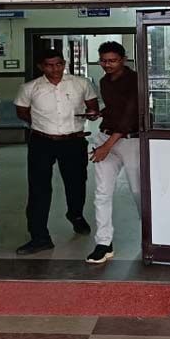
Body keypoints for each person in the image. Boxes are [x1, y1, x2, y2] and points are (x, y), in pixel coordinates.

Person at [13, 48, 100, 255]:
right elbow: (22, 112)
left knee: (76, 183)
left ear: (64, 63)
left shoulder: (81, 84)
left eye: (59, 64)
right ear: (41, 67)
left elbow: (93, 106)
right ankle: (39, 237)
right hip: (41, 142)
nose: (55, 69)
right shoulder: (30, 88)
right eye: (49, 65)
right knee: (39, 189)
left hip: (73, 141)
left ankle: (75, 214)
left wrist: (92, 114)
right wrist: (43, 124)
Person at [86, 41, 140, 264]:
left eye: (113, 61)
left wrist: (106, 147)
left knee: (139, 192)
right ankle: (103, 243)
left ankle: (152, 239)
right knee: (102, 193)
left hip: (130, 141)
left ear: (123, 60)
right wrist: (99, 113)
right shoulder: (104, 81)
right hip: (105, 136)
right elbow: (115, 108)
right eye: (103, 61)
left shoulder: (135, 80)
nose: (107, 65)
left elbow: (129, 117)